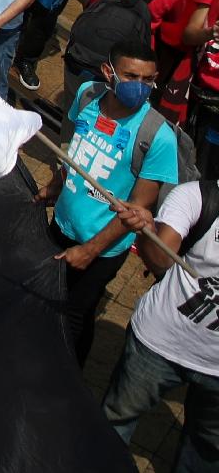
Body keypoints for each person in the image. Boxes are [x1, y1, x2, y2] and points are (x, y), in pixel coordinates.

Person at [39, 43, 176, 366]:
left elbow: (135, 211)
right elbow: (73, 147)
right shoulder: (88, 95)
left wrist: (91, 250)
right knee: (46, 299)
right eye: (130, 76)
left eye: (147, 79)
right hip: (62, 224)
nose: (139, 86)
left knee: (73, 316)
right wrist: (56, 185)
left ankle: (66, 377)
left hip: (102, 248)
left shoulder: (157, 136)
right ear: (108, 72)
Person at [101, 170, 219, 467]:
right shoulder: (196, 196)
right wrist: (145, 231)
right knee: (114, 425)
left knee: (206, 451)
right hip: (158, 344)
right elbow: (161, 257)